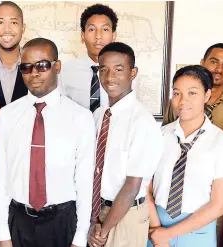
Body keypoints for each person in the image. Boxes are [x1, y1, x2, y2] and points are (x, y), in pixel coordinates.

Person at [0, 37, 96, 247]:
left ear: (57, 67)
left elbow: (85, 183)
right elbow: (2, 178)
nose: (34, 73)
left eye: (42, 65)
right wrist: (3, 233)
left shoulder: (80, 118)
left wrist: (80, 237)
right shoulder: (7, 116)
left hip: (62, 220)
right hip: (19, 220)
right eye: (26, 67)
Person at [162, 43, 223, 246]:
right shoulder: (175, 109)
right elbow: (171, 135)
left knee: (218, 237)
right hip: (178, 189)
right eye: (213, 62)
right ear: (202, 63)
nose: (219, 69)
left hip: (220, 185)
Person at [147, 65, 223, 247]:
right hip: (155, 227)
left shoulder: (222, 142)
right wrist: (157, 231)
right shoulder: (159, 135)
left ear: (207, 95)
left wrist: (168, 234)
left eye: (192, 93)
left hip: (197, 231)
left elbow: (219, 205)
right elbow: (145, 188)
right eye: (177, 93)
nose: (182, 101)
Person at [87, 42, 163, 247]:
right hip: (97, 213)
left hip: (125, 216)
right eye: (104, 70)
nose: (110, 77)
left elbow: (132, 187)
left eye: (119, 69)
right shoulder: (98, 115)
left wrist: (104, 229)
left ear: (133, 72)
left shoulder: (142, 122)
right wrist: (94, 219)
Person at [59, 4, 118, 111]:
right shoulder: (65, 71)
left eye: (105, 29)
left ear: (113, 36)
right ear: (82, 35)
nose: (98, 36)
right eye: (92, 29)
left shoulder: (126, 73)